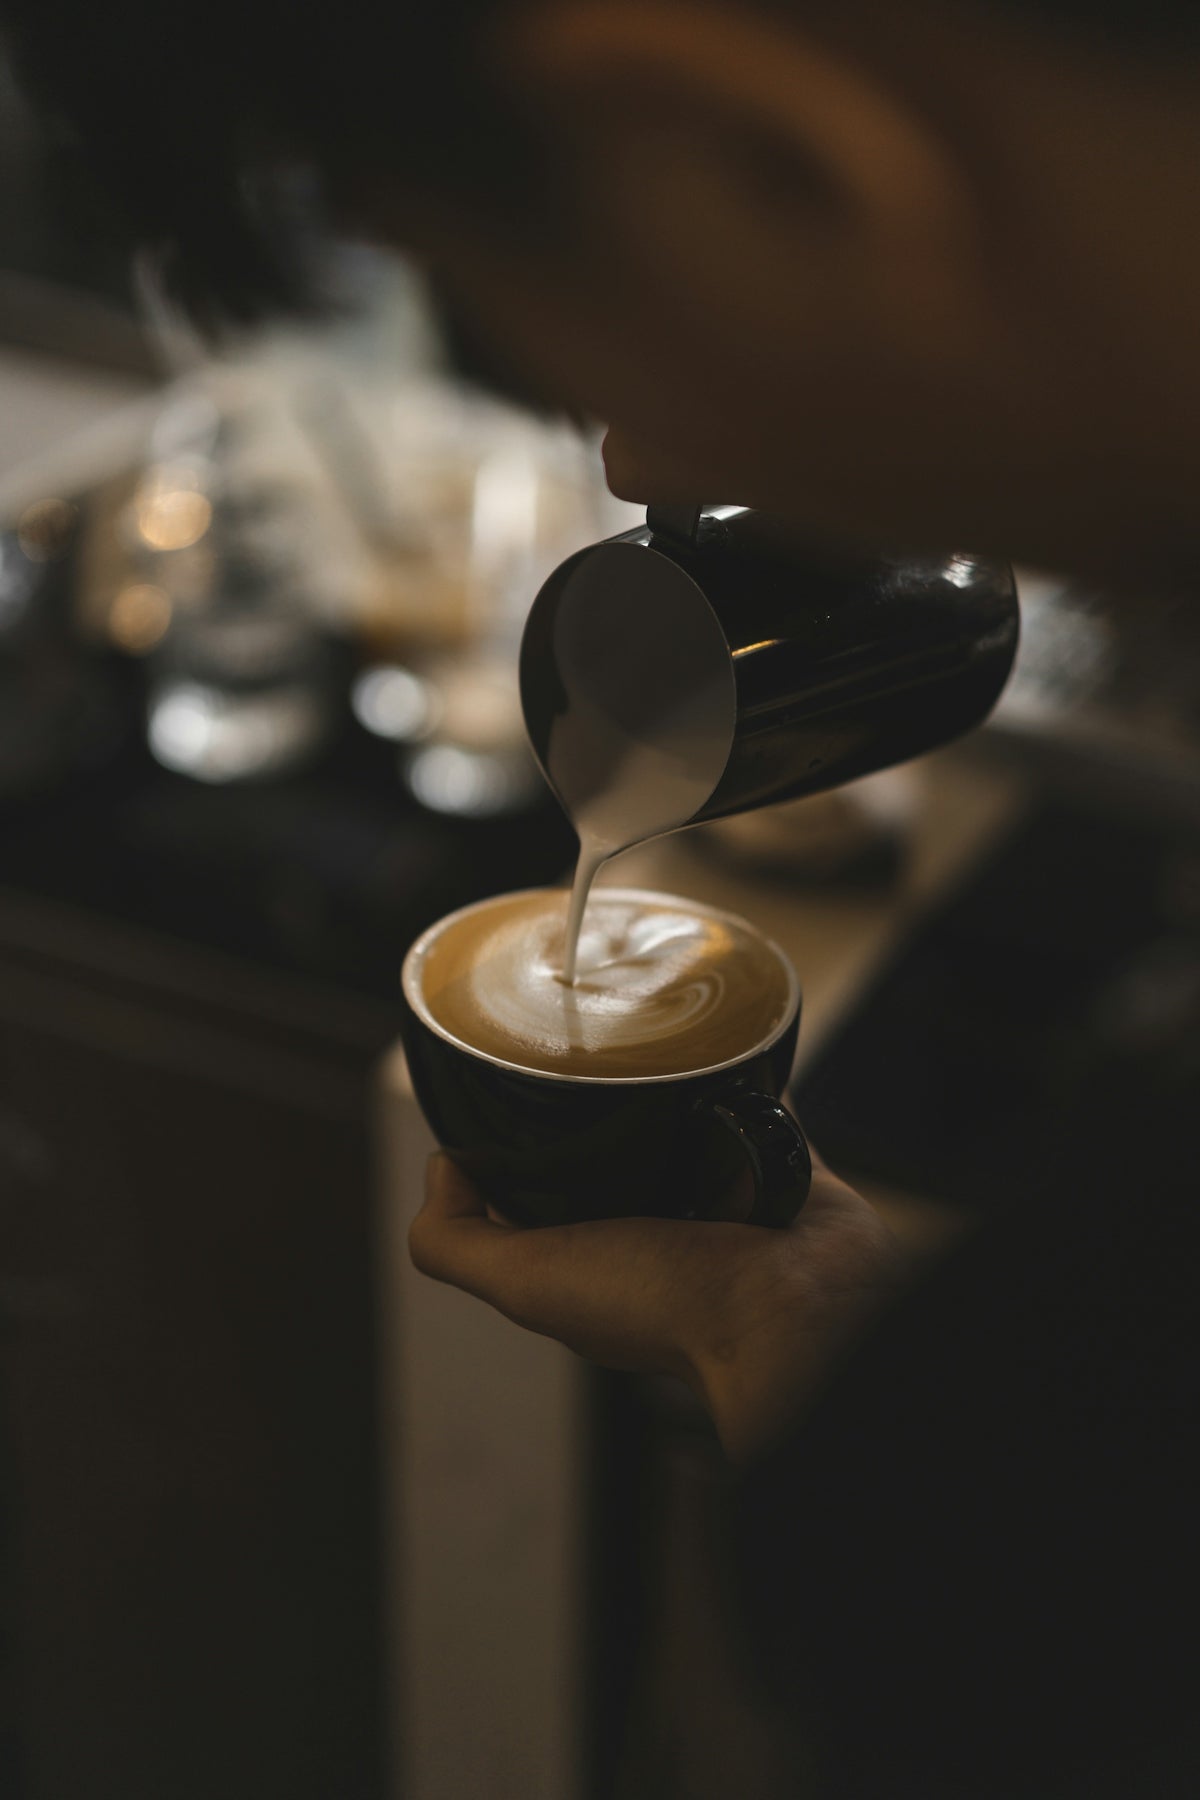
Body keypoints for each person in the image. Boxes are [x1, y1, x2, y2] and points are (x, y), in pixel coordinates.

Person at [3, 0, 1199, 1792]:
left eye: (511, 316)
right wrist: (777, 1314)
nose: (634, 463)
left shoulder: (1027, 1482)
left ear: (761, 161)